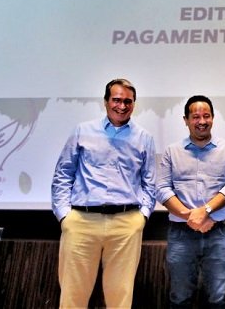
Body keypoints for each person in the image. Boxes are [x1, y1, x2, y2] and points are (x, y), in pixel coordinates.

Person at [51, 78, 156, 308]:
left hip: (126, 224)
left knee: (121, 297)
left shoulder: (144, 138)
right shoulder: (82, 131)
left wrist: (142, 217)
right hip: (81, 221)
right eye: (116, 100)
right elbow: (63, 173)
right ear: (106, 101)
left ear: (134, 104)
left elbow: (150, 182)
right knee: (72, 296)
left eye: (128, 101)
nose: (122, 106)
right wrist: (64, 216)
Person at [156, 95, 225, 308]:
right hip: (181, 234)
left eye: (206, 116)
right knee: (179, 298)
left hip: (218, 232)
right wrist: (191, 216)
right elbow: (162, 189)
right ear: (186, 120)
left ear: (213, 118)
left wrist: (206, 211)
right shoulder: (172, 152)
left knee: (219, 298)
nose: (202, 121)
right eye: (195, 117)